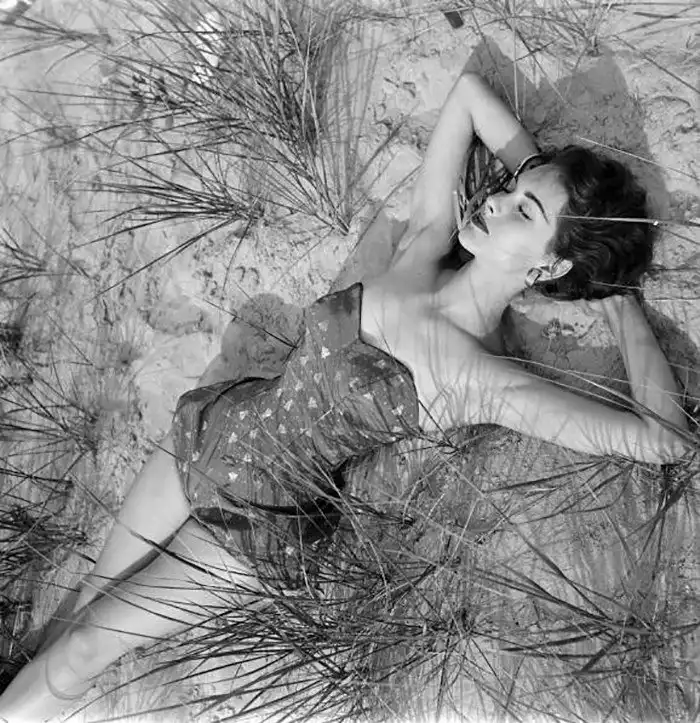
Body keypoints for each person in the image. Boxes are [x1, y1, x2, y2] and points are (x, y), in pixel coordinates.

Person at [0, 70, 692, 723]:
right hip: (215, 428)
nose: (494, 200)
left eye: (521, 211)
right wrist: (544, 182)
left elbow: (662, 440)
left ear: (549, 264)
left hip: (255, 523)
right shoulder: (424, 248)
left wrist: (618, 300)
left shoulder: (486, 381)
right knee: (86, 602)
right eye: (509, 187)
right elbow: (467, 95)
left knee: (88, 646)